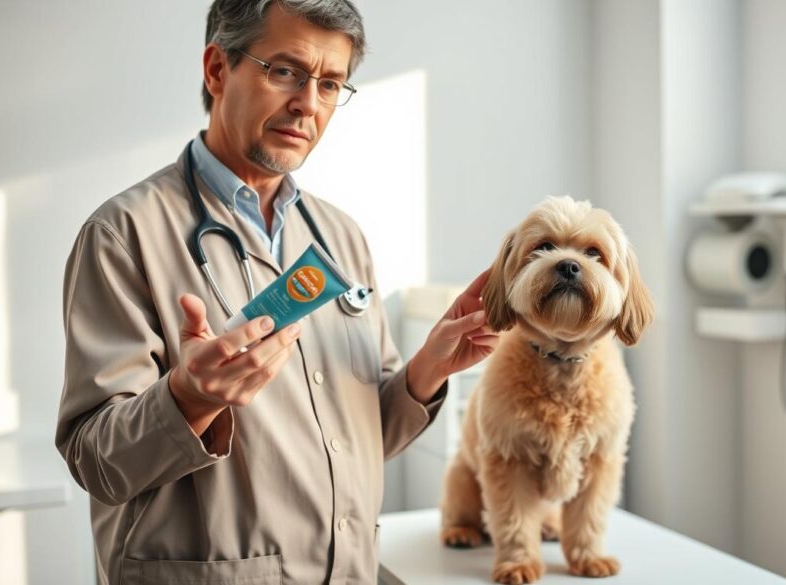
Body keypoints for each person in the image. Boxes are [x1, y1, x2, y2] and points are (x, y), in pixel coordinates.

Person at [55, 1, 497, 583]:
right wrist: (188, 398)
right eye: (285, 70)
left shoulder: (341, 236)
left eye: (331, 83)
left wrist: (425, 373)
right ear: (217, 69)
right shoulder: (123, 235)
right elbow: (96, 462)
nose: (308, 104)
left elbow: (361, 443)